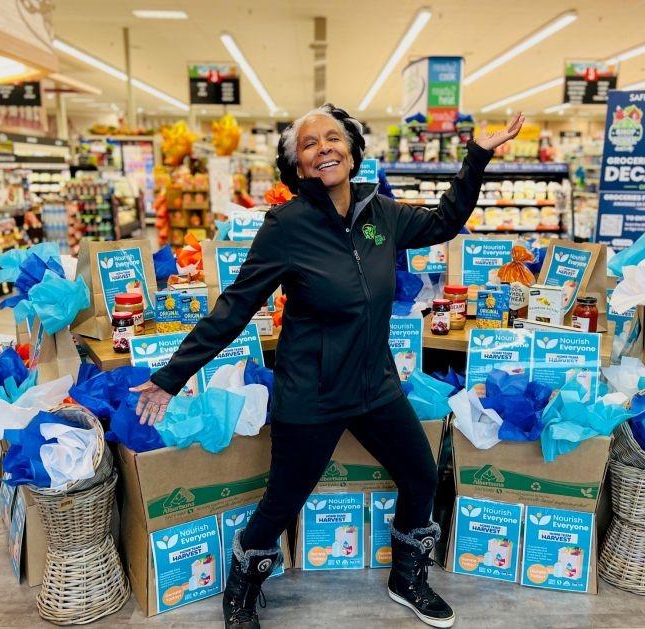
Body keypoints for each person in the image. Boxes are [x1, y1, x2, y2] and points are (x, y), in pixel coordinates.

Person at [131, 104, 524, 629]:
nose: (325, 149)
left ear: (353, 150)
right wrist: (169, 378)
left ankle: (407, 578)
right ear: (297, 166)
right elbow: (237, 305)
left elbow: (446, 221)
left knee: (420, 475)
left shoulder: (380, 212)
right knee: (283, 499)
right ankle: (242, 586)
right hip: (311, 392)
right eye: (310, 144)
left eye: (333, 138)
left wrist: (477, 157)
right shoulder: (286, 226)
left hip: (375, 384)